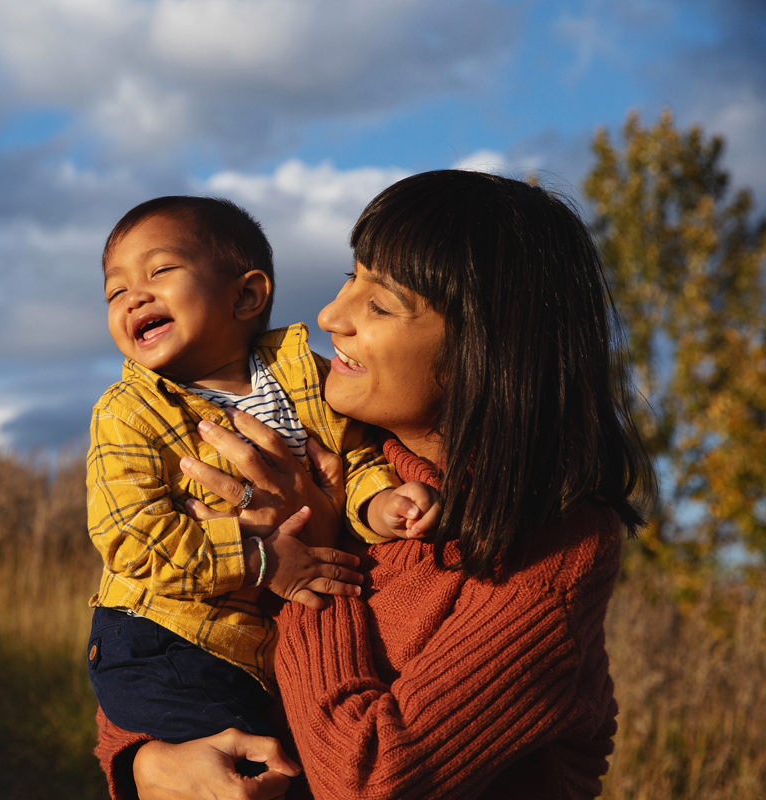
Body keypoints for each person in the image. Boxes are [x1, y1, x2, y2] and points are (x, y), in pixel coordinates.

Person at [93, 171, 657, 800]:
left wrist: (309, 553)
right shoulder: (334, 458)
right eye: (348, 278)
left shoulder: (554, 550)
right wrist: (148, 762)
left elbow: (369, 778)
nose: (332, 317)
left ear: (483, 349)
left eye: (380, 303)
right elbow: (178, 646)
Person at [87, 196, 441, 747]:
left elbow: (350, 460)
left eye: (160, 271)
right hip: (160, 633)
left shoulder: (302, 375)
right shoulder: (129, 412)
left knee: (271, 763)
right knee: (238, 769)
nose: (134, 296)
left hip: (250, 647)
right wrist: (262, 559)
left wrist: (379, 504)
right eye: (114, 291)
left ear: (247, 295)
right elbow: (132, 538)